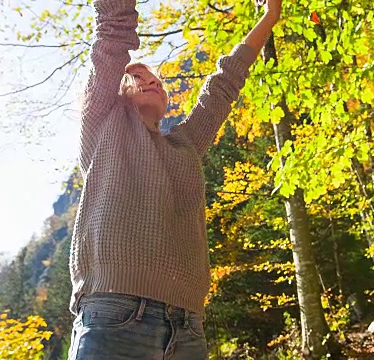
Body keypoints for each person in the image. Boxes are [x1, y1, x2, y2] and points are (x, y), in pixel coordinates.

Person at [68, 0, 281, 358]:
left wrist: (270, 16)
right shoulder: (103, 125)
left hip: (186, 327)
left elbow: (225, 84)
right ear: (114, 91)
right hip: (114, 315)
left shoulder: (185, 145)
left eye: (156, 79)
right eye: (136, 77)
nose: (150, 79)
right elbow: (112, 29)